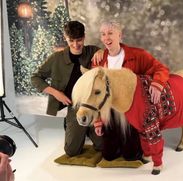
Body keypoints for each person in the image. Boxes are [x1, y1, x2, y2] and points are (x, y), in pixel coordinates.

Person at [92, 20, 169, 162]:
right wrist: (98, 121)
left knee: (131, 156)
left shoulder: (137, 54)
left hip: (131, 112)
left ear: (120, 36)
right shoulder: (98, 61)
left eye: (110, 33)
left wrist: (157, 84)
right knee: (108, 155)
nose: (106, 38)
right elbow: (95, 93)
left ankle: (135, 142)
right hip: (109, 113)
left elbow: (161, 69)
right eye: (103, 34)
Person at [31, 21, 104, 156]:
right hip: (74, 106)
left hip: (94, 106)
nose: (76, 45)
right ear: (65, 37)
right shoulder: (56, 58)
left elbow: (107, 60)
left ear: (84, 37)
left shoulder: (93, 51)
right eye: (71, 40)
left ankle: (88, 128)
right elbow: (35, 78)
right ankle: (74, 125)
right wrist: (56, 93)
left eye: (79, 40)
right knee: (72, 151)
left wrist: (101, 51)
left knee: (104, 146)